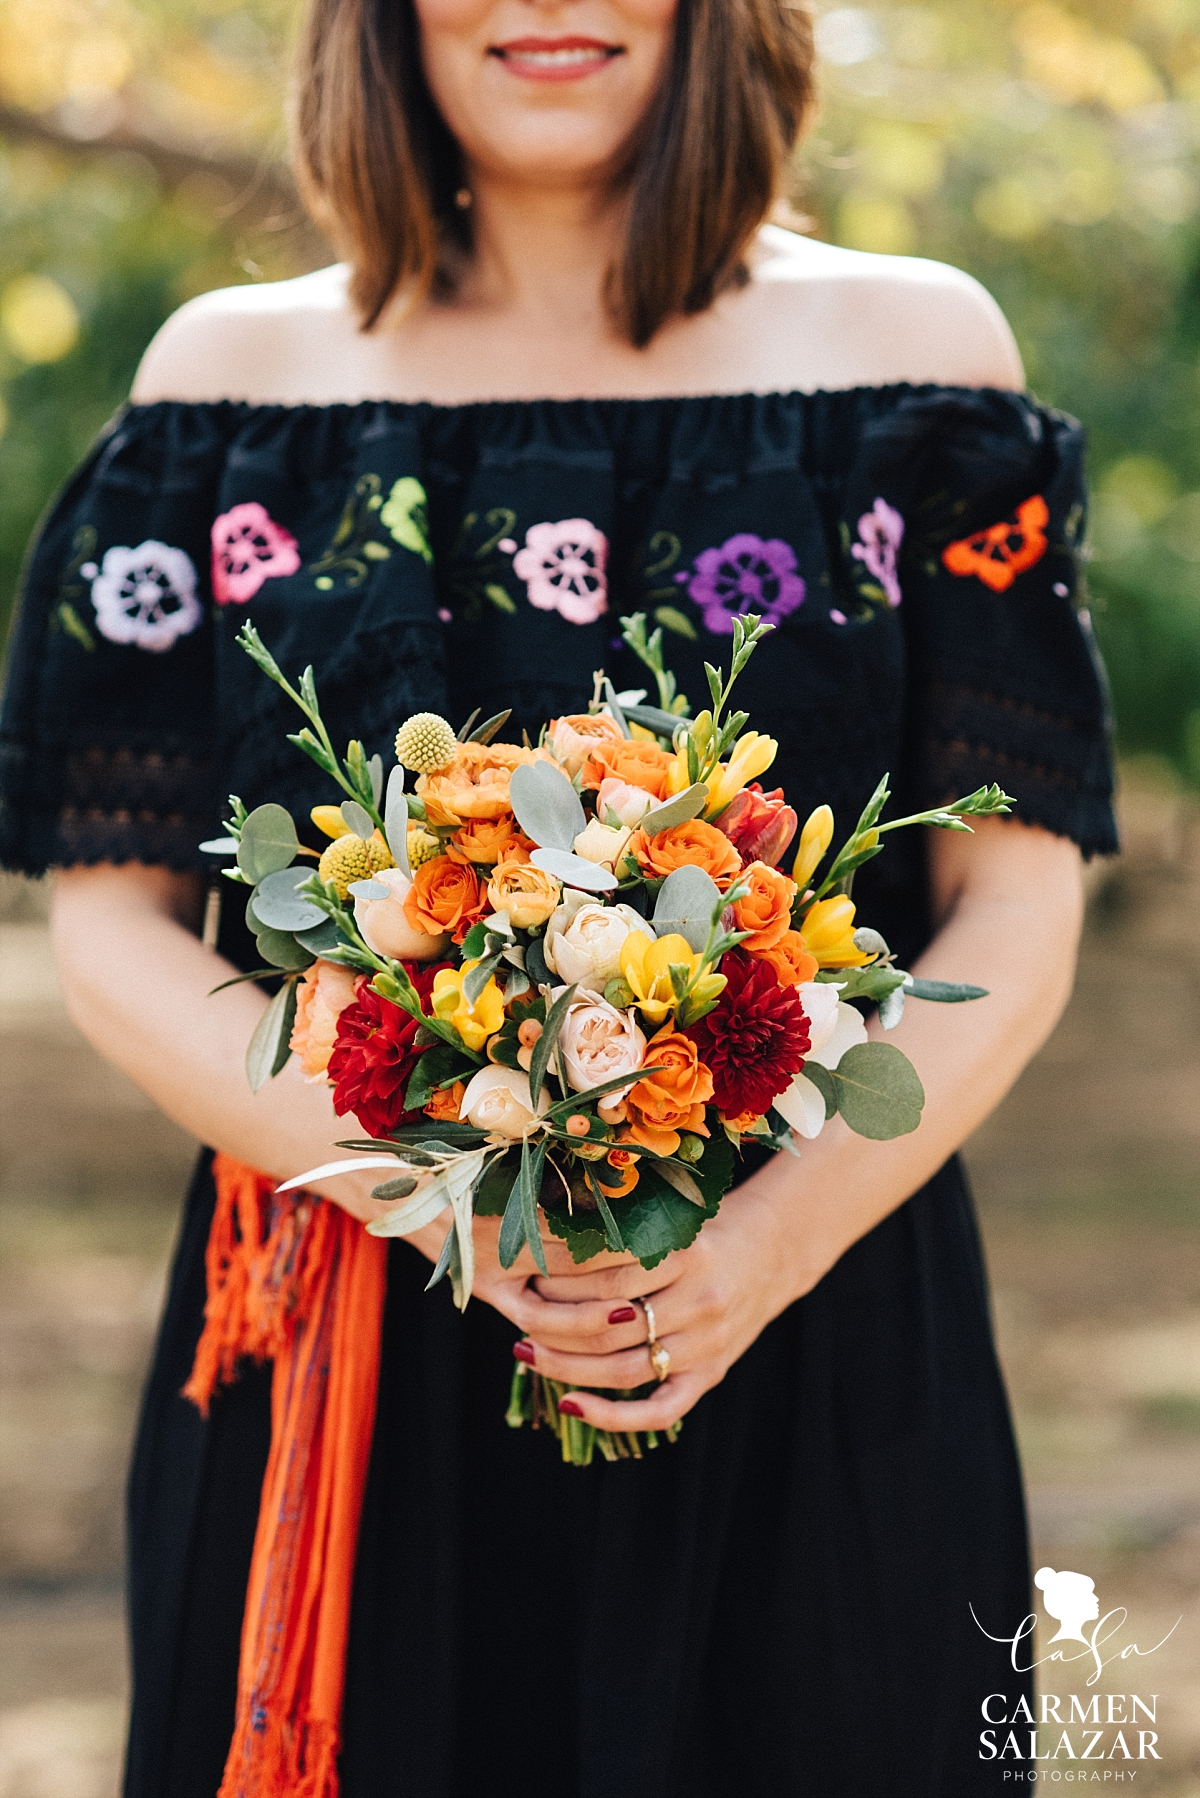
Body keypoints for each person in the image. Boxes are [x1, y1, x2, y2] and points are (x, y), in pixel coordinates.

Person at [0, 0, 1117, 1791]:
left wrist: (751, 1253)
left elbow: (1021, 905)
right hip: (351, 1352)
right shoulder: (224, 384)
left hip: (817, 1325)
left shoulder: (922, 355)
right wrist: (448, 1206)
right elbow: (110, 919)